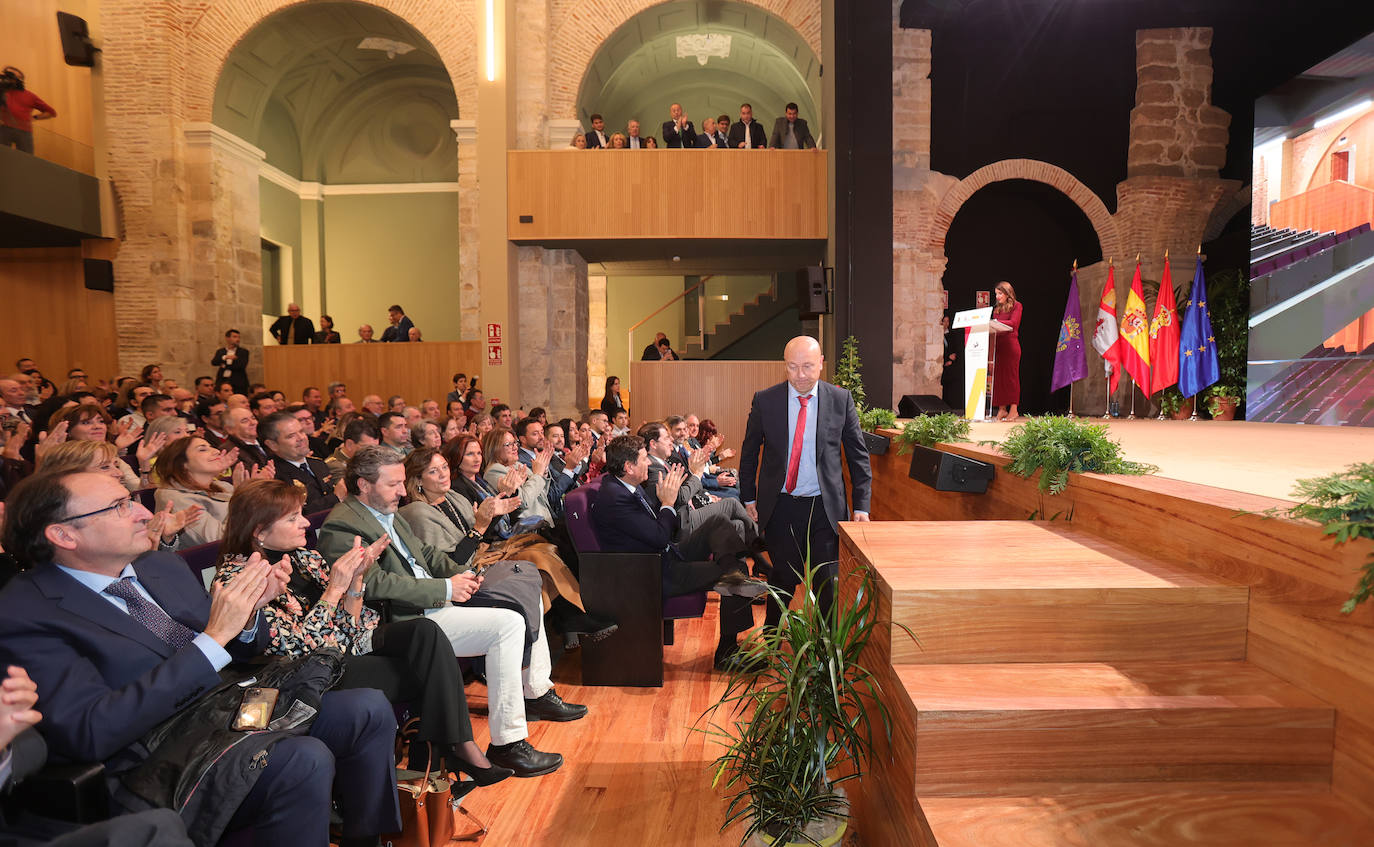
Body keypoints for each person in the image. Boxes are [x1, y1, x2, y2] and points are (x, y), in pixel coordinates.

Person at [0, 471, 402, 847]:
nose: (144, 512)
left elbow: (243, 647)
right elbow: (91, 730)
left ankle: (367, 838)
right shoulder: (25, 613)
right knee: (300, 759)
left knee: (365, 707)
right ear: (63, 534)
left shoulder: (159, 566)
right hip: (158, 749)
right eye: (120, 506)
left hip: (231, 707)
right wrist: (214, 639)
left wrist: (247, 617)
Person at [215, 479, 512, 786]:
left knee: (426, 632)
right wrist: (334, 590)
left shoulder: (303, 557)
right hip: (302, 676)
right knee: (431, 672)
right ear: (259, 531)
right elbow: (299, 651)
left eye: (301, 513)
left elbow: (349, 626)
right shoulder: (240, 579)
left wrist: (356, 581)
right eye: (293, 518)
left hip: (343, 646)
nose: (305, 522)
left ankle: (449, 753)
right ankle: (444, 757)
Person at [317, 446, 580, 777]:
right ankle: (508, 744)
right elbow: (374, 585)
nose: (402, 491)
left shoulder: (388, 509)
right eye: (393, 484)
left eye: (402, 482)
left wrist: (461, 574)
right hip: (403, 620)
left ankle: (532, 702)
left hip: (433, 601)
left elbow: (425, 554)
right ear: (362, 484)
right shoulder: (341, 526)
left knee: (522, 598)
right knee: (509, 624)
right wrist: (445, 588)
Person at [592, 435, 764, 671]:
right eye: (644, 459)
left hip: (662, 554)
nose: (649, 464)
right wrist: (667, 503)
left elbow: (655, 529)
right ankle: (727, 652)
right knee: (734, 569)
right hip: (651, 573)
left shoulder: (624, 486)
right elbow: (660, 535)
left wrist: (666, 504)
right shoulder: (616, 499)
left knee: (718, 522)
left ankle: (737, 576)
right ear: (628, 467)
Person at [739, 335, 872, 631]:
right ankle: (772, 641)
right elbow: (748, 454)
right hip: (782, 507)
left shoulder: (840, 400)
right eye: (793, 367)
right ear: (784, 366)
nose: (800, 375)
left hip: (825, 509)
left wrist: (862, 505)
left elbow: (858, 456)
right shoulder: (766, 400)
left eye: (808, 367)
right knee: (783, 580)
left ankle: (827, 653)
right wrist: (748, 499)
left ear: (821, 364)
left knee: (829, 582)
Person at [260, 412, 342, 514]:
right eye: (291, 436)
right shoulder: (273, 476)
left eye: (301, 431)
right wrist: (336, 497)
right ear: (273, 445)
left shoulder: (318, 463)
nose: (301, 438)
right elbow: (293, 514)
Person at [0, 67, 56, 155]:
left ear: (18, 81)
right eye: (6, 78)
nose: (7, 80)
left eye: (10, 78)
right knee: (3, 158)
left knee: (27, 159)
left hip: (24, 131)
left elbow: (51, 112)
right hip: (4, 129)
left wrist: (34, 117)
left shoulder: (30, 96)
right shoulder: (2, 93)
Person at [991, 280, 1023, 421]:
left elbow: (1014, 324)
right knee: (999, 379)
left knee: (1011, 378)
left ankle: (1014, 409)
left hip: (1011, 347)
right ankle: (1002, 409)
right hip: (999, 347)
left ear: (1007, 293)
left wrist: (995, 323)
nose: (997, 297)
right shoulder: (997, 309)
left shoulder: (1017, 306)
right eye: (996, 294)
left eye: (1000, 293)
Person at [210, 329, 249, 395]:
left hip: (237, 381)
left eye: (238, 337)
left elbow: (241, 366)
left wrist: (224, 365)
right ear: (227, 338)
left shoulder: (243, 352)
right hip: (223, 380)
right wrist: (225, 357)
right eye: (235, 337)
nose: (237, 339)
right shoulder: (221, 351)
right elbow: (214, 362)